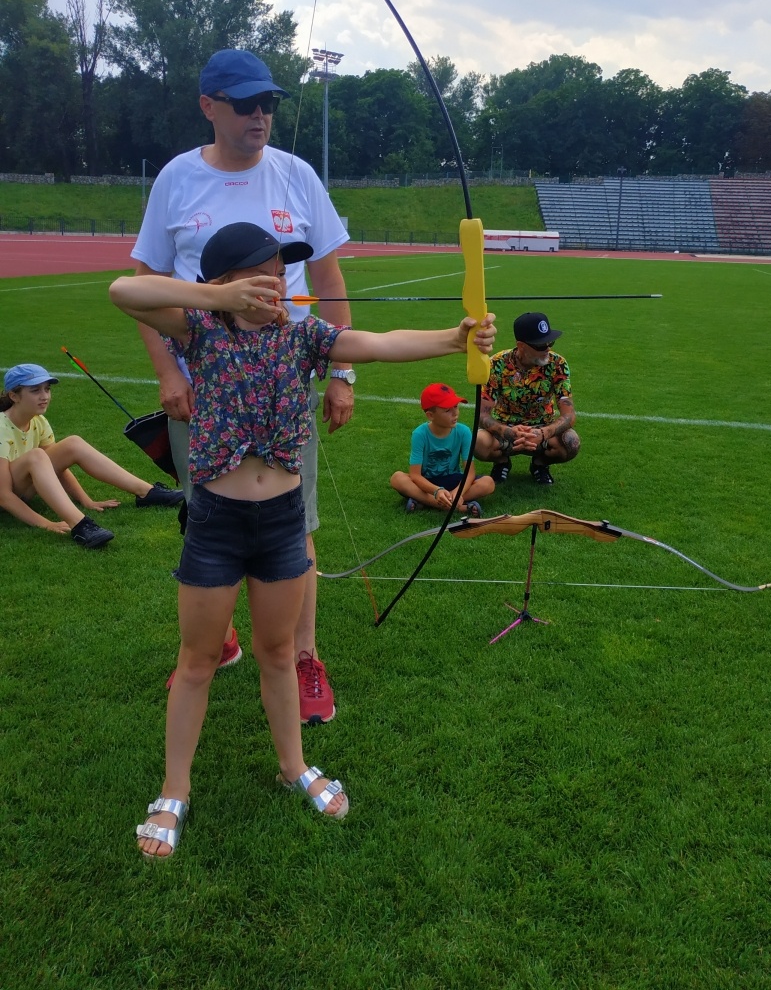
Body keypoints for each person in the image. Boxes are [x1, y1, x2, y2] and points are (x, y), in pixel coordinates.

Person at [110, 220, 496, 856]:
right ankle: (173, 789)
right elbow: (124, 291)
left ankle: (294, 767)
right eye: (261, 269)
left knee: (279, 652)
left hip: (283, 521)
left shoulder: (303, 334)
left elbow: (374, 343)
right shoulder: (198, 328)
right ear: (226, 280)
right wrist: (216, 300)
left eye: (281, 268)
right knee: (198, 661)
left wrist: (454, 339)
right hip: (216, 523)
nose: (276, 278)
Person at [131, 48, 353, 724]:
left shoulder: (297, 175)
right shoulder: (177, 178)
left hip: (284, 386)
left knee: (296, 524)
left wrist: (341, 373)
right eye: (244, 103)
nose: (260, 115)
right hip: (203, 387)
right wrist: (170, 369)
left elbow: (330, 283)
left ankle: (304, 657)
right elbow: (140, 282)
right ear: (208, 106)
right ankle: (213, 643)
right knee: (206, 519)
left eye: (269, 104)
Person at [0, 363, 183, 548]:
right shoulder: (1, 427)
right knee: (37, 456)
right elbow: (3, 495)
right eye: (35, 390)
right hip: (7, 494)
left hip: (23, 486)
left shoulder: (38, 420)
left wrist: (85, 500)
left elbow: (57, 467)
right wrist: (47, 523)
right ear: (14, 396)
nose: (44, 396)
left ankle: (147, 492)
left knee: (72, 443)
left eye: (47, 389)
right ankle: (80, 525)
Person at [475, 311, 580, 486]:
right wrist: (508, 432)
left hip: (543, 429)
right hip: (507, 429)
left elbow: (569, 415)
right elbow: (481, 415)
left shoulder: (558, 364)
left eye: (550, 342)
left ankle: (540, 465)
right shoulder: (496, 364)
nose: (547, 348)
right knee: (477, 442)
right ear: (521, 346)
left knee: (571, 442)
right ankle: (501, 463)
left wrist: (543, 433)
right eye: (540, 345)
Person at [390, 382, 495, 516]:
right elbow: (415, 475)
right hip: (427, 483)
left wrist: (458, 493)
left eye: (456, 406)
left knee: (488, 483)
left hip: (453, 481)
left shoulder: (464, 432)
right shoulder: (420, 434)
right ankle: (457, 506)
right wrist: (437, 491)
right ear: (430, 416)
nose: (455, 413)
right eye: (447, 410)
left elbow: (469, 473)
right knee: (397, 478)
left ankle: (425, 501)